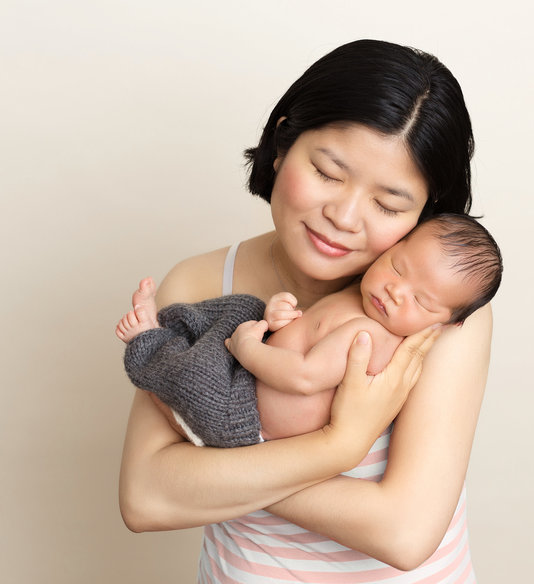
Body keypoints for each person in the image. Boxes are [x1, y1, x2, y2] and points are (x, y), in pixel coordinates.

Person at [119, 39, 492, 582]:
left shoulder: (437, 314)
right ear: (282, 143)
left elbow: (404, 533)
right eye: (327, 172)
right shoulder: (201, 282)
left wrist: (213, 464)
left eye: (388, 204)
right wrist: (337, 445)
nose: (343, 216)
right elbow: (146, 498)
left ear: (427, 212)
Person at [117, 214, 502, 447]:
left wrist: (248, 349)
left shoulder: (369, 337)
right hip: (252, 370)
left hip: (244, 413)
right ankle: (174, 325)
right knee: (243, 308)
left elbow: (303, 376)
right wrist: (282, 315)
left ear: (448, 322)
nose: (395, 291)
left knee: (193, 378)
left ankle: (148, 341)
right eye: (398, 267)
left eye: (421, 301)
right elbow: (309, 332)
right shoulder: (361, 293)